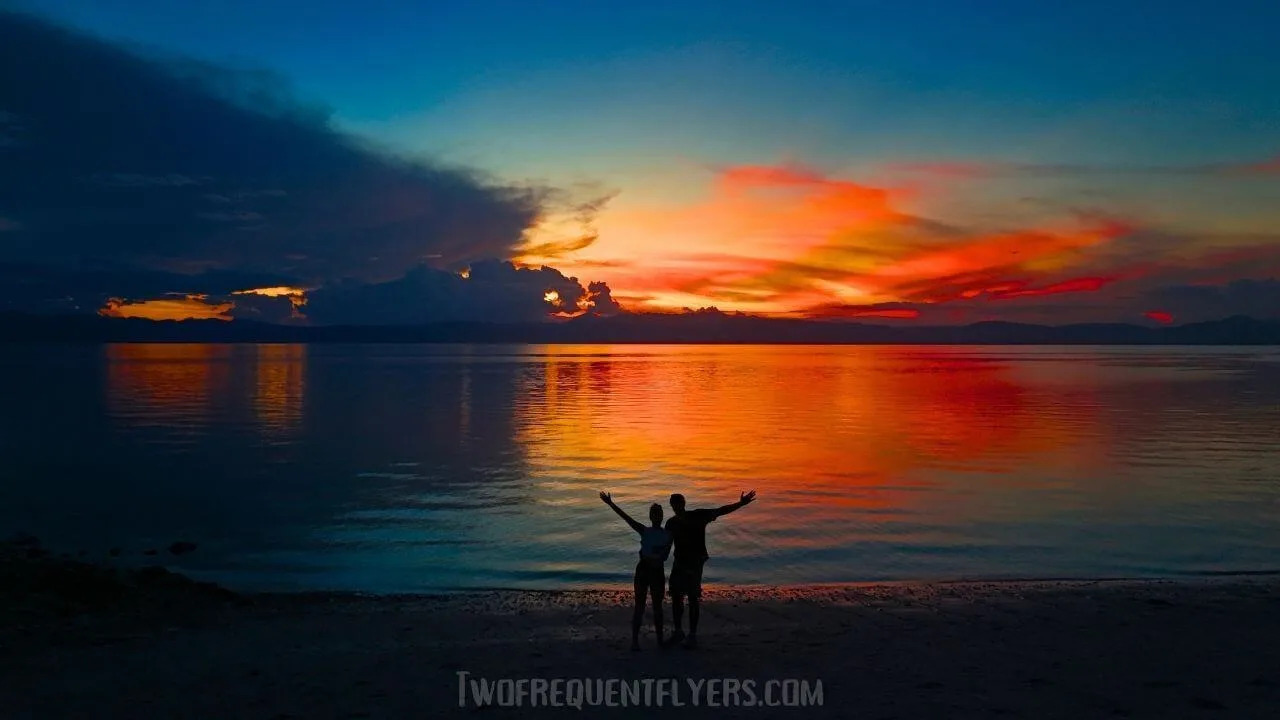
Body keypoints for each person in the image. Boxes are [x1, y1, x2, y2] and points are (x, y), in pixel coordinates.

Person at [666, 490, 757, 649]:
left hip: (694, 562)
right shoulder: (671, 523)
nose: (677, 507)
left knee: (693, 598)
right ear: (672, 506)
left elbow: (721, 510)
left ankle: (692, 635)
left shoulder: (698, 515)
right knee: (676, 597)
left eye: (679, 503)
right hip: (679, 562)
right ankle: (678, 631)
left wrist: (740, 504)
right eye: (674, 504)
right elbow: (666, 543)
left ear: (683, 504)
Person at [600, 491, 672, 651]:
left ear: (661, 516)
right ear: (651, 516)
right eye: (654, 513)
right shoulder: (644, 530)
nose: (656, 516)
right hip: (643, 571)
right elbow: (627, 519)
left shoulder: (668, 534)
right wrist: (611, 504)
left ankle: (659, 641)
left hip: (656, 571)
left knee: (657, 607)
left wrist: (654, 556)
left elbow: (665, 555)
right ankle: (634, 642)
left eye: (658, 513)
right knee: (639, 606)